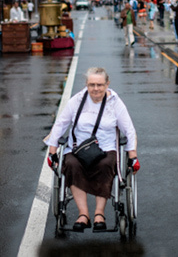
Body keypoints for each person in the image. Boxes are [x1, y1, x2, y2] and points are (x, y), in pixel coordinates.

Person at [45, 67, 139, 232]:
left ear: (107, 84)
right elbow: (60, 124)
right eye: (92, 84)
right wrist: (52, 152)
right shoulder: (77, 100)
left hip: (106, 148)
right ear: (86, 85)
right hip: (78, 148)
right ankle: (83, 214)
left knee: (106, 164)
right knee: (71, 164)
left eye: (100, 85)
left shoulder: (115, 103)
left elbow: (129, 130)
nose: (96, 89)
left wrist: (133, 156)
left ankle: (99, 214)